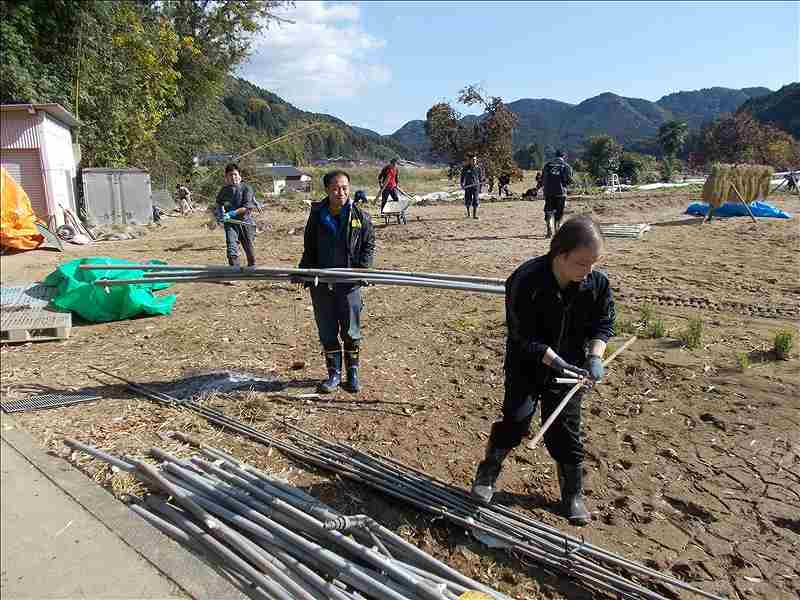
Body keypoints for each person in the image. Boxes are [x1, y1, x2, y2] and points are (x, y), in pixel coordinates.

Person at [471, 216, 614, 526]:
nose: (589, 271)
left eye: (593, 263)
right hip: (528, 364)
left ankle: (573, 493)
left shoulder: (595, 284)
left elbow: (603, 323)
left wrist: (595, 357)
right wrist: (555, 361)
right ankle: (488, 472)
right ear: (560, 254)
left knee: (566, 430)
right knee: (516, 419)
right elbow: (522, 335)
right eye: (582, 263)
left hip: (572, 370)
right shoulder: (525, 280)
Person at [299, 170, 376, 394]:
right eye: (335, 188)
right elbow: (309, 247)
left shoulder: (360, 217)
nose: (340, 192)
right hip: (322, 283)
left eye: (344, 188)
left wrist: (362, 270)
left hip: (349, 284)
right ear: (326, 190)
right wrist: (303, 272)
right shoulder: (317, 216)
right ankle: (334, 374)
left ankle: (352, 373)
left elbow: (368, 244)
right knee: (327, 331)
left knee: (351, 331)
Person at [215, 163, 257, 267]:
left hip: (245, 223)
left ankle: (251, 267)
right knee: (231, 248)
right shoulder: (224, 190)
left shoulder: (247, 188)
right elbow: (218, 203)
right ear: (226, 177)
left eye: (235, 174)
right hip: (230, 224)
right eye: (230, 175)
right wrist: (220, 214)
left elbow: (247, 207)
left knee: (249, 249)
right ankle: (234, 271)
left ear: (239, 176)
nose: (233, 177)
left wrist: (231, 213)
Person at [541, 151, 574, 238]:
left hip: (548, 192)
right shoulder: (566, 166)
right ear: (564, 156)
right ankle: (557, 228)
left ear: (555, 156)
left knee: (548, 209)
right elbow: (568, 180)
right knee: (559, 211)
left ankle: (549, 228)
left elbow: (543, 178)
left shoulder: (547, 165)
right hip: (560, 192)